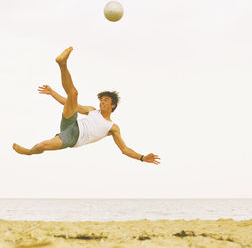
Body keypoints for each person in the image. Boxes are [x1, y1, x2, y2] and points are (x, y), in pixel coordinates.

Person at [12, 47, 160, 165]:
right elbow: (69, 103)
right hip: (70, 123)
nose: (102, 101)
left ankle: (28, 152)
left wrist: (141, 157)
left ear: (113, 105)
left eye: (106, 100)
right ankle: (62, 64)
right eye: (101, 99)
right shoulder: (91, 110)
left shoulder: (112, 127)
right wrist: (52, 93)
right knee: (73, 95)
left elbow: (124, 149)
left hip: (73, 137)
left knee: (43, 145)